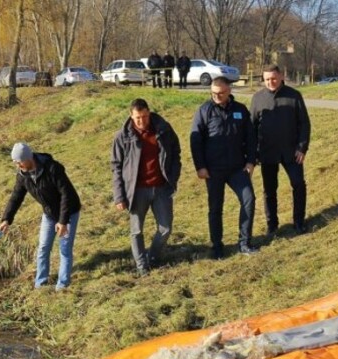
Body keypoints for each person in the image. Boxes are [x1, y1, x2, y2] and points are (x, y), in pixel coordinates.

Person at [111, 98, 182, 276]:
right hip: (135, 191)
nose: (141, 121)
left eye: (144, 116)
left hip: (161, 188)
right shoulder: (122, 137)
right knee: (136, 231)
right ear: (131, 116)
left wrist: (172, 179)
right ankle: (142, 266)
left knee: (165, 228)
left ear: (149, 113)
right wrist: (119, 196)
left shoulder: (164, 129)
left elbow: (175, 154)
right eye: (137, 118)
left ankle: (152, 257)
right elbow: (116, 167)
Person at [190, 77, 258, 259]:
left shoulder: (240, 110)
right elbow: (195, 141)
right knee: (215, 208)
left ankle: (244, 242)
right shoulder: (204, 111)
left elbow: (251, 138)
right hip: (213, 170)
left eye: (220, 93)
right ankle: (217, 246)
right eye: (213, 93)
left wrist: (251, 161)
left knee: (249, 200)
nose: (217, 96)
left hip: (237, 168)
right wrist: (200, 167)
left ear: (229, 91)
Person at [0, 143, 82, 290]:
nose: (18, 165)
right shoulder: (23, 175)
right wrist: (6, 219)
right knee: (43, 247)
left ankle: (62, 285)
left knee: (64, 248)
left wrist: (63, 222)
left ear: (28, 158)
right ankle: (40, 283)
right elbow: (16, 197)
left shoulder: (53, 168)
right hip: (49, 214)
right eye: (15, 163)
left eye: (19, 162)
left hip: (68, 212)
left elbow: (66, 195)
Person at [250, 64, 312, 236]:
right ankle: (272, 225)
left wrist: (302, 148)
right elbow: (252, 127)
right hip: (267, 152)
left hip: (292, 152)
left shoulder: (294, 96)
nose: (271, 82)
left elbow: (304, 124)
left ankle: (299, 221)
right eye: (267, 79)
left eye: (274, 78)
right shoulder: (257, 98)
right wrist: (253, 153)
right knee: (269, 190)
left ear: (281, 76)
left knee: (298, 184)